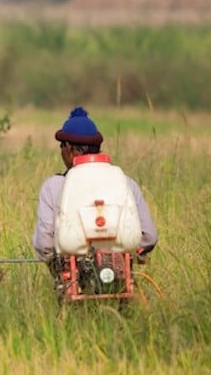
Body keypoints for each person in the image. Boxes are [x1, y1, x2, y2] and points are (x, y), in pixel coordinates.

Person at [32, 107, 158, 286]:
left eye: (61, 147)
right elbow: (149, 236)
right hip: (119, 281)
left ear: (68, 148)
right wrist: (128, 254)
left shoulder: (54, 186)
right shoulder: (126, 182)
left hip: (73, 284)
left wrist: (59, 266)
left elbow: (45, 244)